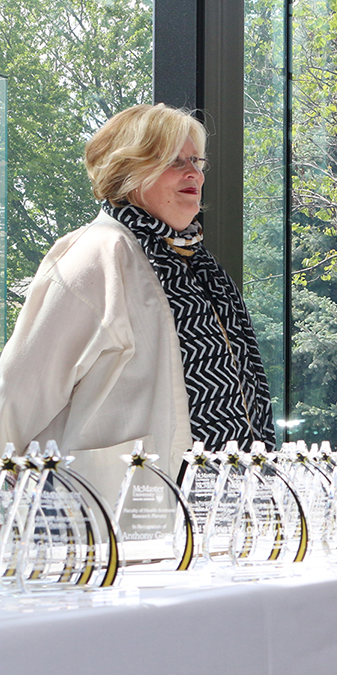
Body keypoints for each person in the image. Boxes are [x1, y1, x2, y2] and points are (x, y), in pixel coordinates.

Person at [0, 103, 275, 504]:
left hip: (220, 512)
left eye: (196, 161)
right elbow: (16, 396)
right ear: (127, 172)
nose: (194, 173)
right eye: (173, 161)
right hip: (114, 518)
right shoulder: (94, 256)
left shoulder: (196, 262)